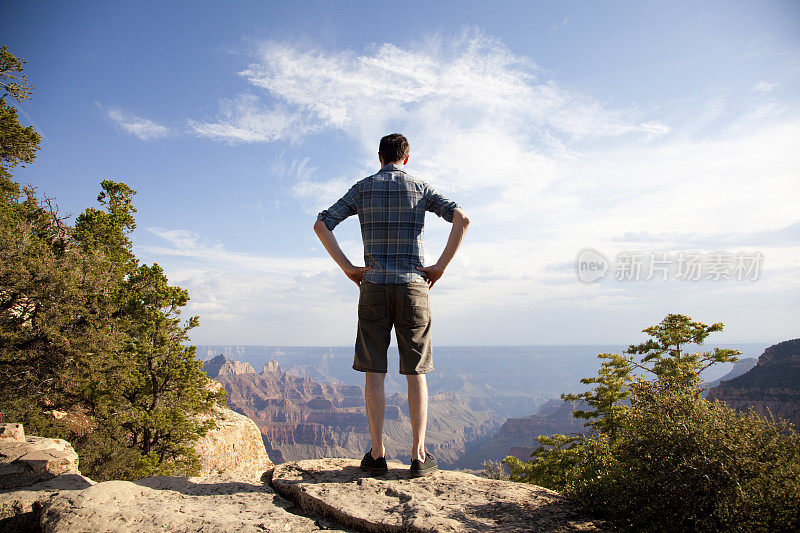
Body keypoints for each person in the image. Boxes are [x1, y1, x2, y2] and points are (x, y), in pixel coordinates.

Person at [313, 133, 470, 477]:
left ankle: (378, 453)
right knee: (416, 371)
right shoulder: (420, 188)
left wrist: (348, 268)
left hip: (373, 286)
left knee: (375, 371)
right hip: (414, 285)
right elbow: (462, 219)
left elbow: (321, 224)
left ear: (379, 156)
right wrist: (440, 266)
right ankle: (417, 455)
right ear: (406, 158)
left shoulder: (362, 188)